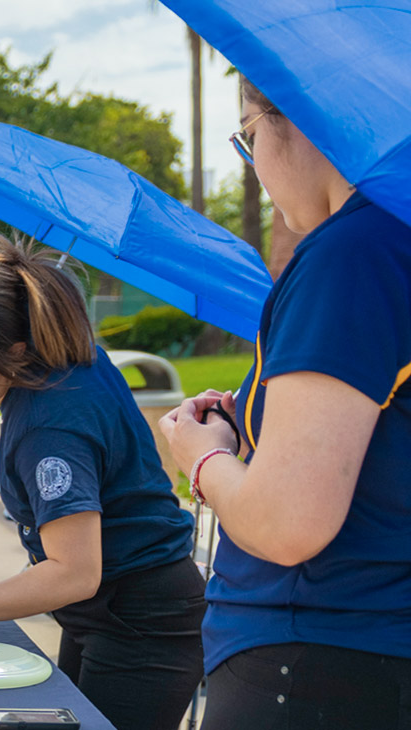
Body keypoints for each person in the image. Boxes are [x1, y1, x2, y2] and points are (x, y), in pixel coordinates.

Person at [159, 78, 411, 730]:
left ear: (291, 121)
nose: (255, 162)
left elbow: (286, 524)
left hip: (314, 659)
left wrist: (202, 457)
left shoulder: (351, 256)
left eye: (248, 136)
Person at [0, 235, 205, 730]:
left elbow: (73, 572)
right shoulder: (61, 363)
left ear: (12, 348)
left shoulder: (50, 424)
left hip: (140, 623)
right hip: (112, 611)